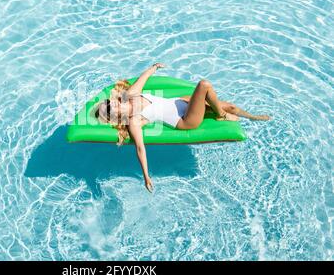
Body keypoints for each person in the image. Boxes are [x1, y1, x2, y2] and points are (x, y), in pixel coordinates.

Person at [95, 63, 271, 193]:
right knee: (204, 85)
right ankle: (221, 115)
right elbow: (140, 148)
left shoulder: (130, 95)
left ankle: (253, 117)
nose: (113, 104)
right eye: (109, 109)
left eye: (109, 103)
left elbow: (144, 78)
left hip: (181, 102)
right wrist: (146, 176)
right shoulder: (134, 120)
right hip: (185, 119)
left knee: (231, 106)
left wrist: (154, 67)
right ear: (115, 116)